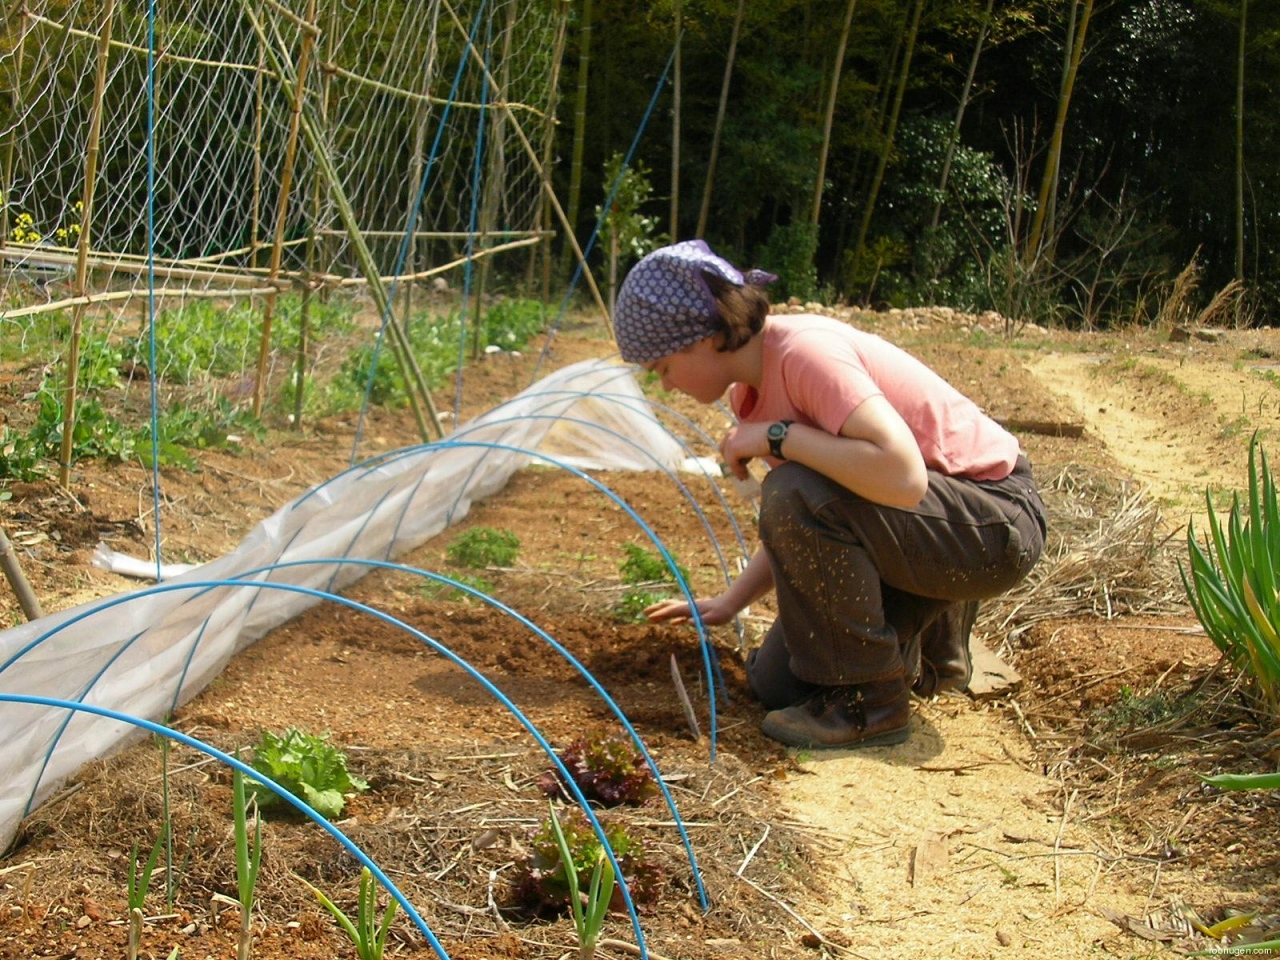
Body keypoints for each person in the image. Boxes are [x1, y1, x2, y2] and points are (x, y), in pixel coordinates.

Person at [613, 239, 1046, 750]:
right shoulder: (749, 393)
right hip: (931, 526)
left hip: (994, 521)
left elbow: (903, 477)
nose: (666, 385)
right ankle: (930, 642)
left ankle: (871, 704)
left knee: (793, 486)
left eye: (662, 368)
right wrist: (730, 602)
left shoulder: (804, 355)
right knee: (777, 684)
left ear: (702, 338)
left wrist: (776, 437)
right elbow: (811, 525)